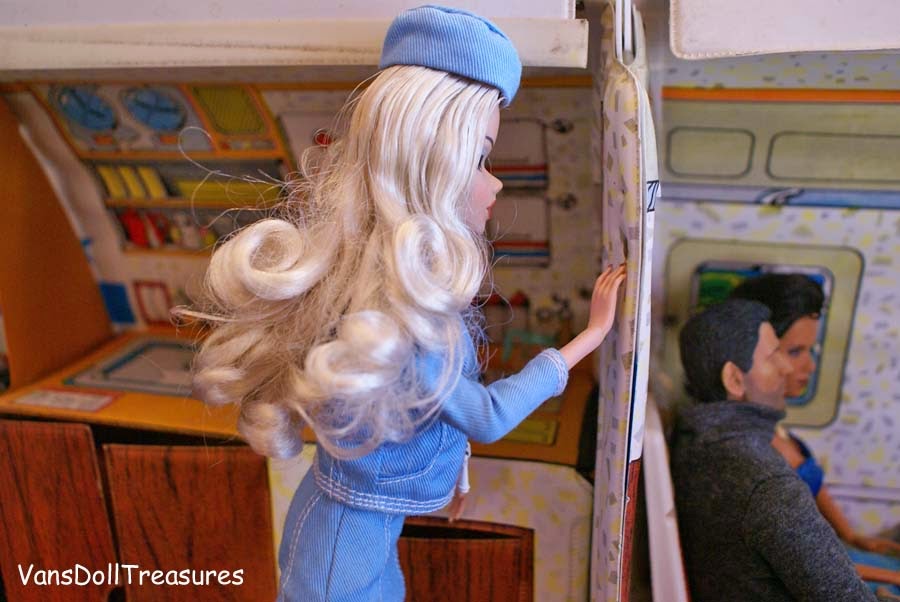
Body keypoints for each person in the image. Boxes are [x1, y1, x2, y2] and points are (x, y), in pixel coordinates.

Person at [185, 6, 626, 601]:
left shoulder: (397, 293)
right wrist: (589, 338)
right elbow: (487, 416)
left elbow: (428, 408)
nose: (495, 183)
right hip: (343, 539)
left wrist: (453, 472)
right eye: (480, 159)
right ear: (431, 167)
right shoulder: (392, 319)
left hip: (367, 522)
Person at [671, 299, 879, 601]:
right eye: (773, 356)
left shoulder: (696, 440)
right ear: (734, 379)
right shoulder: (768, 483)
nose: (787, 367)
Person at [731, 274, 900, 594]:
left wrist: (850, 534)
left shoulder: (775, 426)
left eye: (811, 350)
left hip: (834, 550)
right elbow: (804, 561)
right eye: (795, 352)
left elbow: (815, 485)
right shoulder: (753, 452)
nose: (809, 367)